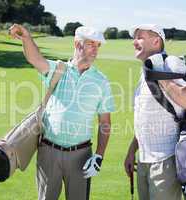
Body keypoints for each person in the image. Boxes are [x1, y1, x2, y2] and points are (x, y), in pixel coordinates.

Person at [9, 24, 115, 200]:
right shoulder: (58, 70)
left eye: (98, 45)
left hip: (81, 156)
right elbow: (35, 59)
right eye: (91, 44)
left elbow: (105, 123)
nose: (95, 50)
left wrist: (98, 156)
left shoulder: (101, 81)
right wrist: (27, 38)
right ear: (77, 44)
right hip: (49, 152)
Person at [124, 24, 186, 200]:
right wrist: (131, 151)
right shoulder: (146, 70)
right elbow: (147, 118)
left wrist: (160, 75)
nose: (134, 42)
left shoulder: (170, 63)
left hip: (165, 161)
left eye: (140, 37)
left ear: (156, 40)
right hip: (144, 160)